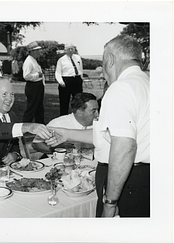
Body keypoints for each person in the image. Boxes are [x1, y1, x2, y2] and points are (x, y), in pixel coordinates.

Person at [46, 35, 150, 218]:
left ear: (110, 59)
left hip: (128, 184)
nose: (103, 72)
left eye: (103, 63)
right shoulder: (147, 84)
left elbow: (125, 146)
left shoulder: (121, 88)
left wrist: (110, 202)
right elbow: (109, 135)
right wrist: (67, 134)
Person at [32, 92, 98, 154]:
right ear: (79, 112)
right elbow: (36, 143)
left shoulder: (100, 124)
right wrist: (56, 149)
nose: (97, 114)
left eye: (98, 110)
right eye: (93, 111)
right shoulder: (58, 124)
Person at [55, 43, 84, 116]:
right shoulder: (61, 60)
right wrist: (61, 82)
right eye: (69, 49)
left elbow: (80, 69)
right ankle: (63, 117)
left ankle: (77, 116)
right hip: (66, 80)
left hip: (76, 80)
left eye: (72, 49)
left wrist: (81, 78)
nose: (71, 50)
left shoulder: (78, 58)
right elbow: (58, 72)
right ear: (65, 50)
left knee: (78, 100)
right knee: (64, 101)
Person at [22, 41, 45, 124]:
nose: (38, 52)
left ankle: (40, 124)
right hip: (33, 86)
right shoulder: (29, 62)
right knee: (32, 108)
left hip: (38, 86)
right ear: (31, 52)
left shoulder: (34, 60)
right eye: (36, 50)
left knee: (39, 107)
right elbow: (26, 76)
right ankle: (25, 126)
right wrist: (37, 75)